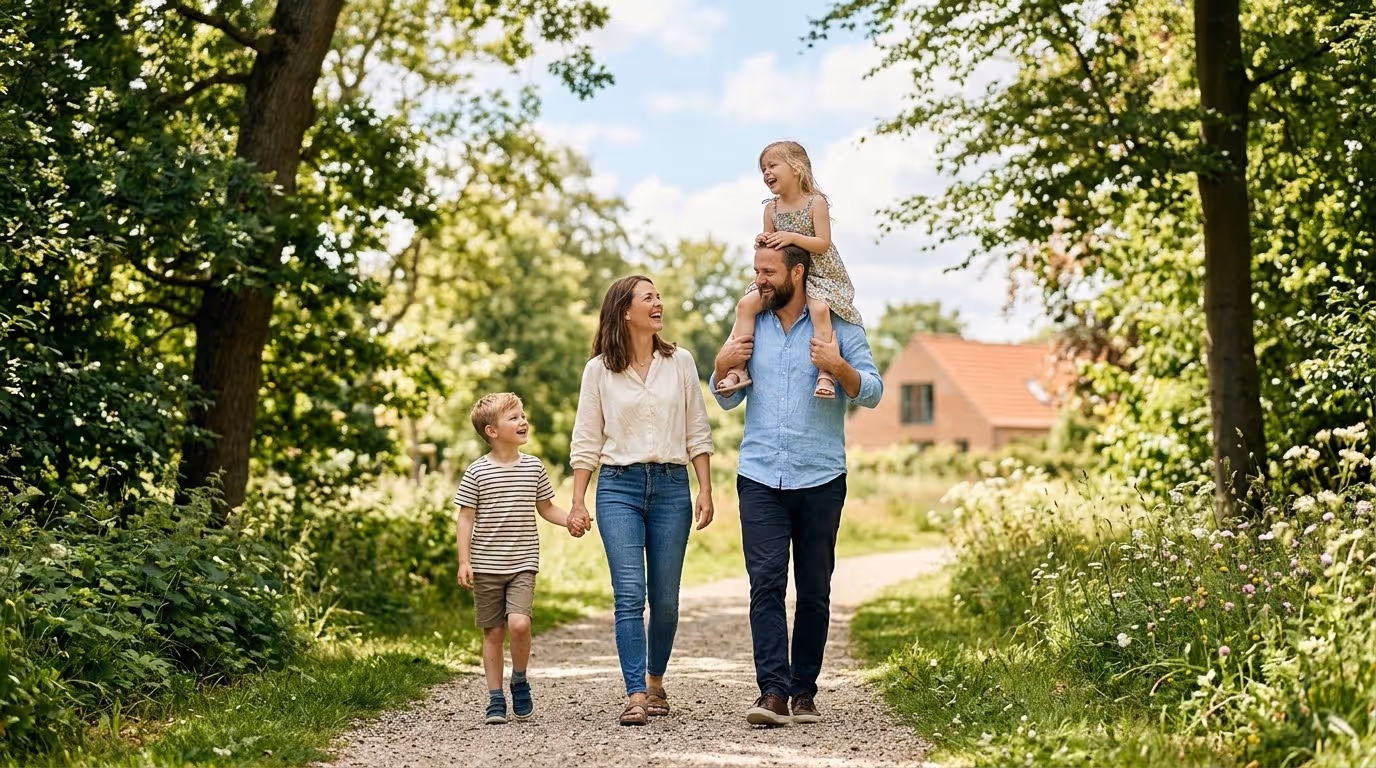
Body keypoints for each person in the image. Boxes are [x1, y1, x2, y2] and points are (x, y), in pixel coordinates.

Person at [711, 242, 883, 727]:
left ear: (798, 272)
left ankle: (804, 689)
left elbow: (872, 389)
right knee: (765, 584)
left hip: (821, 474)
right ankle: (772, 691)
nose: (759, 280)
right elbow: (724, 399)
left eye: (768, 272)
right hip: (760, 474)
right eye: (756, 271)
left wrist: (838, 364)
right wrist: (722, 365)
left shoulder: (841, 325)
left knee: (813, 589)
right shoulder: (751, 323)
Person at [567, 274, 716, 726]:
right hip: (618, 488)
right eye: (648, 297)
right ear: (624, 311)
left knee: (666, 600)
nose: (658, 303)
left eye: (658, 296)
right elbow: (586, 439)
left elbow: (697, 430)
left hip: (672, 486)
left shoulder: (681, 362)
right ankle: (634, 693)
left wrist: (704, 487)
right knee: (629, 594)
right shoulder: (599, 370)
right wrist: (577, 501)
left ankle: (655, 680)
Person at [454, 392, 589, 725]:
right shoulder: (477, 472)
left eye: (523, 415)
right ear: (492, 431)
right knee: (493, 633)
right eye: (513, 417)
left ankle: (520, 678)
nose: (523, 421)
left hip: (522, 563)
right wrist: (464, 560)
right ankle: (495, 698)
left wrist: (569, 519)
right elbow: (465, 518)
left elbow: (545, 508)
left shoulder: (533, 467)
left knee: (519, 623)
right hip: (486, 565)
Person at [715, 140, 862, 400]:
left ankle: (825, 372)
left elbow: (822, 243)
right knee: (745, 306)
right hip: (783, 275)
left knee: (819, 309)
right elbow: (769, 250)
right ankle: (738, 369)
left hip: (818, 272)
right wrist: (762, 241)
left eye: (772, 165)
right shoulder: (770, 208)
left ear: (796, 168)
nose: (766, 173)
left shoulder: (816, 203)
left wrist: (790, 237)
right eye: (763, 169)